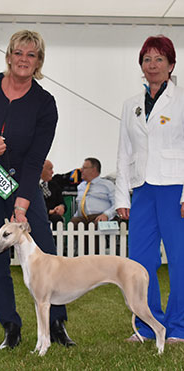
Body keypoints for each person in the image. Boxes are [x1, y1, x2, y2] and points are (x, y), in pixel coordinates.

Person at [0, 30, 75, 349]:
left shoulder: (45, 103)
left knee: (46, 253)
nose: (24, 59)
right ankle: (11, 326)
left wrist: (21, 205)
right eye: (18, 53)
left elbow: (36, 158)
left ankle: (57, 323)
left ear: (39, 62)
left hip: (23, 186)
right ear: (8, 56)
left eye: (31, 55)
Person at [115, 35, 184, 344]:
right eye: (147, 59)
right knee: (140, 262)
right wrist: (121, 196)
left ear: (171, 64)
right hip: (141, 190)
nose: (152, 65)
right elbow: (123, 152)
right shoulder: (130, 105)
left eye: (159, 59)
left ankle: (179, 328)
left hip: (175, 188)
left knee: (180, 260)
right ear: (140, 65)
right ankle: (146, 326)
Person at [71, 158, 116, 228]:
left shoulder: (108, 185)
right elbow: (80, 204)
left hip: (100, 216)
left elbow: (116, 204)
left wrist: (106, 215)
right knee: (73, 223)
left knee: (97, 223)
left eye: (84, 168)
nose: (81, 170)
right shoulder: (81, 186)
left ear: (93, 170)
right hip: (83, 218)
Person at [40, 159, 66, 228]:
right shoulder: (33, 185)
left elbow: (61, 202)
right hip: (39, 215)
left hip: (53, 217)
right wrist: (49, 211)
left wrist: (61, 207)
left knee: (57, 219)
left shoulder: (54, 185)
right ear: (41, 170)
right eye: (50, 169)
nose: (52, 172)